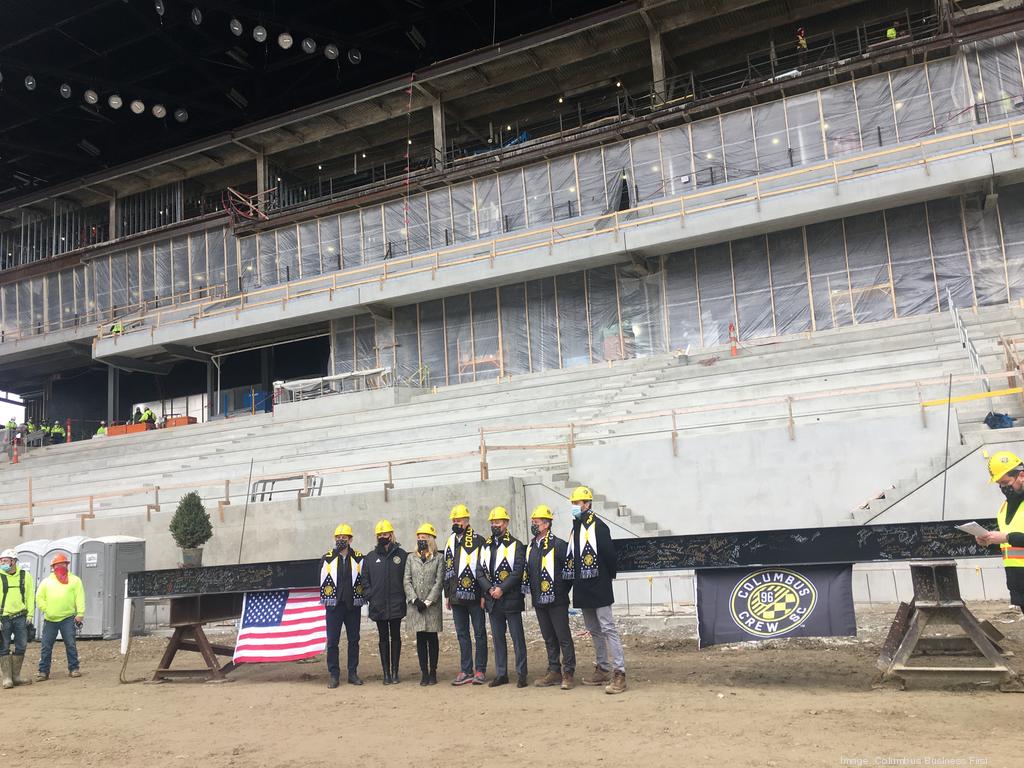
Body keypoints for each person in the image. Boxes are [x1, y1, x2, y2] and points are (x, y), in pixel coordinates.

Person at [566, 486, 626, 694]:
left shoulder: (598, 526)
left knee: (608, 628)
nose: (574, 507)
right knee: (594, 630)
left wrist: (605, 579)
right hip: (582, 586)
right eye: (572, 503)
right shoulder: (575, 527)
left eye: (577, 503)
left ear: (587, 504)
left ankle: (619, 672)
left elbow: (610, 556)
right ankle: (602, 668)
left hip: (599, 584)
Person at [525, 504, 576, 689]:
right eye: (533, 522)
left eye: (536, 522)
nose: (533, 524)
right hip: (539, 599)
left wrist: (561, 590)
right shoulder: (532, 546)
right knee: (548, 637)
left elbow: (569, 572)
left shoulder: (559, 544)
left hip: (557, 600)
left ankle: (568, 672)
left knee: (563, 636)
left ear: (546, 524)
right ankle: (554, 670)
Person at [478, 506, 528, 688]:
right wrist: (490, 589)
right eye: (492, 522)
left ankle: (522, 673)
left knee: (517, 638)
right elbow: (479, 571)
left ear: (506, 524)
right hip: (493, 600)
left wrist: (501, 589)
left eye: (497, 522)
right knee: (498, 639)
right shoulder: (486, 545)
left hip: (511, 598)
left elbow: (517, 572)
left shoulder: (516, 545)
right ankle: (501, 674)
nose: (494, 525)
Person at [443, 503, 488, 685]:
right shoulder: (450, 541)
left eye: (459, 520)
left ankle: (480, 670)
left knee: (479, 634)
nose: (456, 522)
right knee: (462, 634)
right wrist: (448, 594)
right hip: (456, 597)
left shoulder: (478, 540)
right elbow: (448, 569)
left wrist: (485, 594)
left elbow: (484, 569)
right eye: (454, 520)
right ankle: (466, 669)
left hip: (476, 596)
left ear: (467, 521)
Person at [975, 451, 1024, 611]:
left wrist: (1006, 537)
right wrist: (989, 541)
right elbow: (1010, 547)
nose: (1003, 488)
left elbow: (1009, 538)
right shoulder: (1005, 507)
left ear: (1021, 475)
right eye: (999, 484)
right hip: (1018, 584)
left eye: (1005, 482)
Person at [319, 523, 366, 688]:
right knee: (332, 641)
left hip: (352, 606)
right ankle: (334, 675)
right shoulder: (327, 558)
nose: (340, 540)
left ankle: (352, 673)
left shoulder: (359, 558)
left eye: (344, 538)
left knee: (354, 640)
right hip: (334, 606)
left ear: (350, 539)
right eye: (338, 538)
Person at [362, 520, 408, 684]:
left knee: (395, 636)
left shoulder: (401, 555)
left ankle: (395, 672)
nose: (383, 537)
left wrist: (404, 596)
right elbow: (364, 579)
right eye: (380, 535)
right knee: (383, 638)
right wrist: (370, 595)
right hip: (378, 605)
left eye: (385, 534)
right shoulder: (370, 557)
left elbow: (407, 578)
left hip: (396, 603)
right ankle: (386, 673)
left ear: (391, 534)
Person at [403, 522, 445, 686]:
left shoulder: (439, 558)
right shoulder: (410, 558)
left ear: (431, 539)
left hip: (431, 606)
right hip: (416, 606)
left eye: (425, 537)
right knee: (420, 638)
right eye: (419, 537)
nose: (421, 540)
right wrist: (414, 599)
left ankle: (433, 671)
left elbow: (439, 581)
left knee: (432, 639)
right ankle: (424, 672)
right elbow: (407, 580)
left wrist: (427, 601)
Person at [35, 553, 85, 681]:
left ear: (67, 565)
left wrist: (80, 614)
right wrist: (47, 609)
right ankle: (43, 671)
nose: (61, 566)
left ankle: (74, 668)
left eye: (63, 564)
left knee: (70, 644)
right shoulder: (46, 582)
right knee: (46, 646)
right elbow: (39, 598)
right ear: (53, 567)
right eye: (58, 565)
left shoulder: (75, 580)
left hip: (68, 618)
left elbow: (80, 597)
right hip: (50, 619)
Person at [0, 549, 35, 688]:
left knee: (22, 645)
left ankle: (16, 676)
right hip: (3, 618)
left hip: (21, 616)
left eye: (5, 560)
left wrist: (30, 614)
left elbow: (30, 596)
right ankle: (7, 678)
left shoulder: (25, 575)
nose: (2, 563)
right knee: (3, 647)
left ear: (13, 561)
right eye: (1, 561)